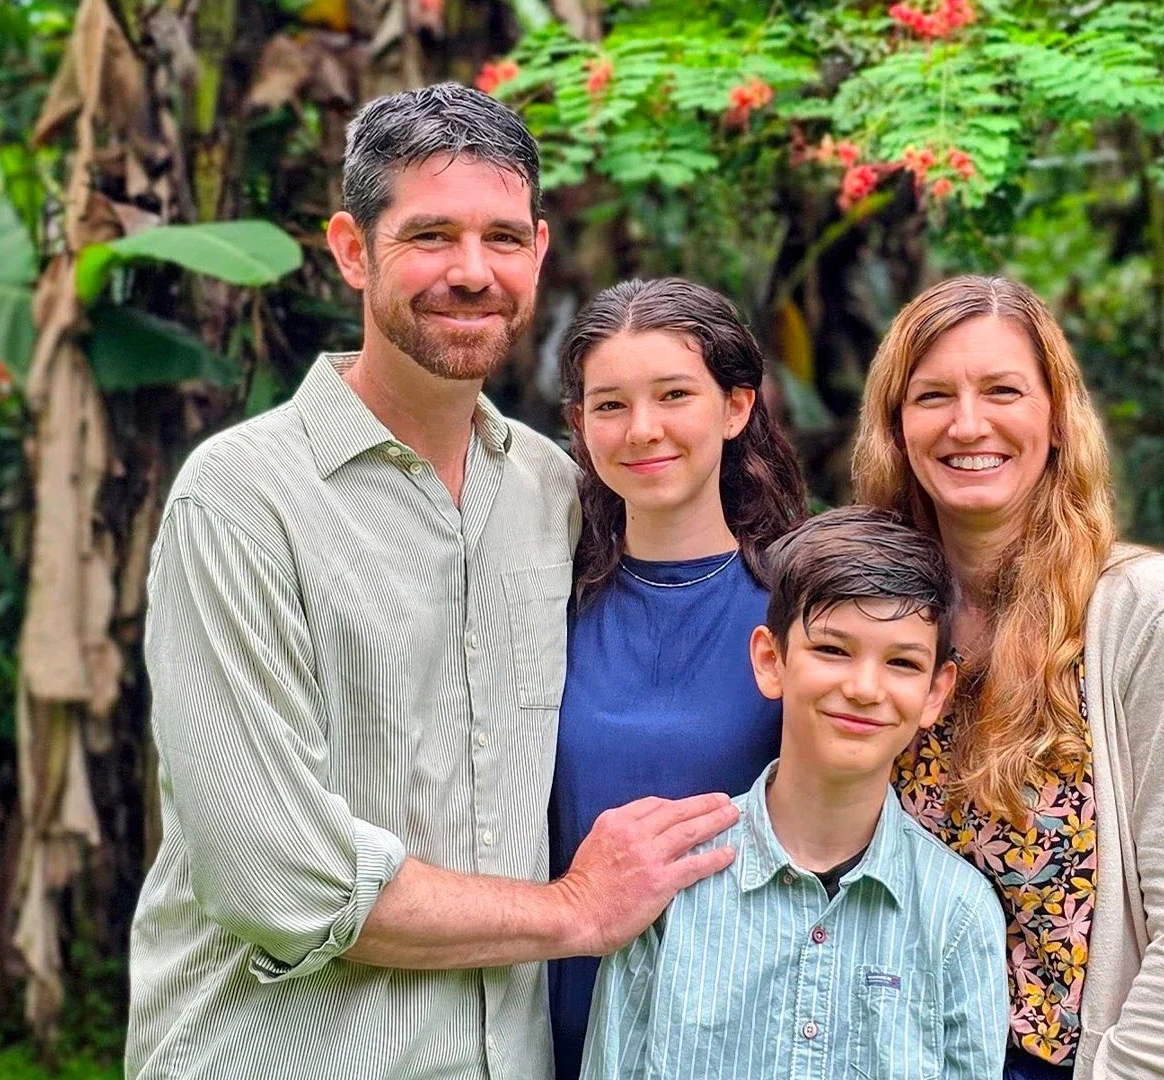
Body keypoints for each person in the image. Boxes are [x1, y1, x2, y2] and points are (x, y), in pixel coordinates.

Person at [124, 84, 739, 1080]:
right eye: (430, 236)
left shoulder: (554, 490)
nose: (471, 272)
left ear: (538, 251)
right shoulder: (242, 499)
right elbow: (276, 877)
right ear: (353, 248)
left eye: (502, 237)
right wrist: (576, 910)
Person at [853, 275, 1164, 1079]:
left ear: (1055, 419)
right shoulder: (878, 624)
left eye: (1003, 390)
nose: (967, 423)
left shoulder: (1156, 617)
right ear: (898, 428)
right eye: (932, 395)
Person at [580, 506, 1013, 1080]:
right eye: (833, 650)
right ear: (771, 660)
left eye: (902, 662)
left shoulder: (957, 913)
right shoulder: (672, 882)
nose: (863, 688)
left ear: (936, 693)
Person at [545, 277, 808, 1078]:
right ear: (580, 425)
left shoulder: (802, 614)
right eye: (611, 405)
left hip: (742, 1030)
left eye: (674, 395)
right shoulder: (543, 603)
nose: (643, 429)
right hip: (552, 1016)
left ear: (735, 408)